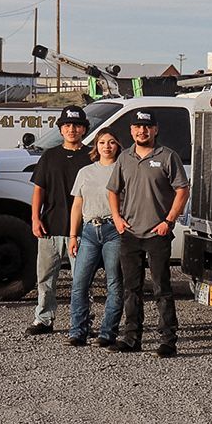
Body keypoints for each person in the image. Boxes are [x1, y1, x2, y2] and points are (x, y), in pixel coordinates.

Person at [107, 109, 189, 356]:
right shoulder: (124, 158)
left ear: (155, 130)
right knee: (131, 288)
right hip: (130, 233)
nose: (142, 131)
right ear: (131, 130)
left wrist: (169, 220)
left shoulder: (167, 157)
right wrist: (117, 219)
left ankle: (168, 341)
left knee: (161, 288)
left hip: (157, 233)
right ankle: (132, 338)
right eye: (137, 127)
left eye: (147, 127)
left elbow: (182, 190)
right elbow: (112, 190)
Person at [25, 105, 91, 336]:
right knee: (45, 277)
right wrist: (35, 218)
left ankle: (82, 321)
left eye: (76, 125)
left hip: (82, 229)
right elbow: (38, 190)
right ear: (60, 129)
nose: (72, 129)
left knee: (81, 279)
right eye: (67, 125)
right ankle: (43, 319)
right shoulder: (49, 156)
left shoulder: (92, 156)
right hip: (50, 225)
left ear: (84, 129)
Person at [67, 132, 125, 347]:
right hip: (90, 230)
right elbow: (77, 205)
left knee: (114, 284)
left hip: (114, 231)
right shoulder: (85, 172)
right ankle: (78, 332)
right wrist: (73, 235)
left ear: (118, 145)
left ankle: (107, 333)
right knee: (79, 283)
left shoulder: (123, 169)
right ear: (96, 146)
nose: (106, 146)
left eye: (111, 142)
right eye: (102, 142)